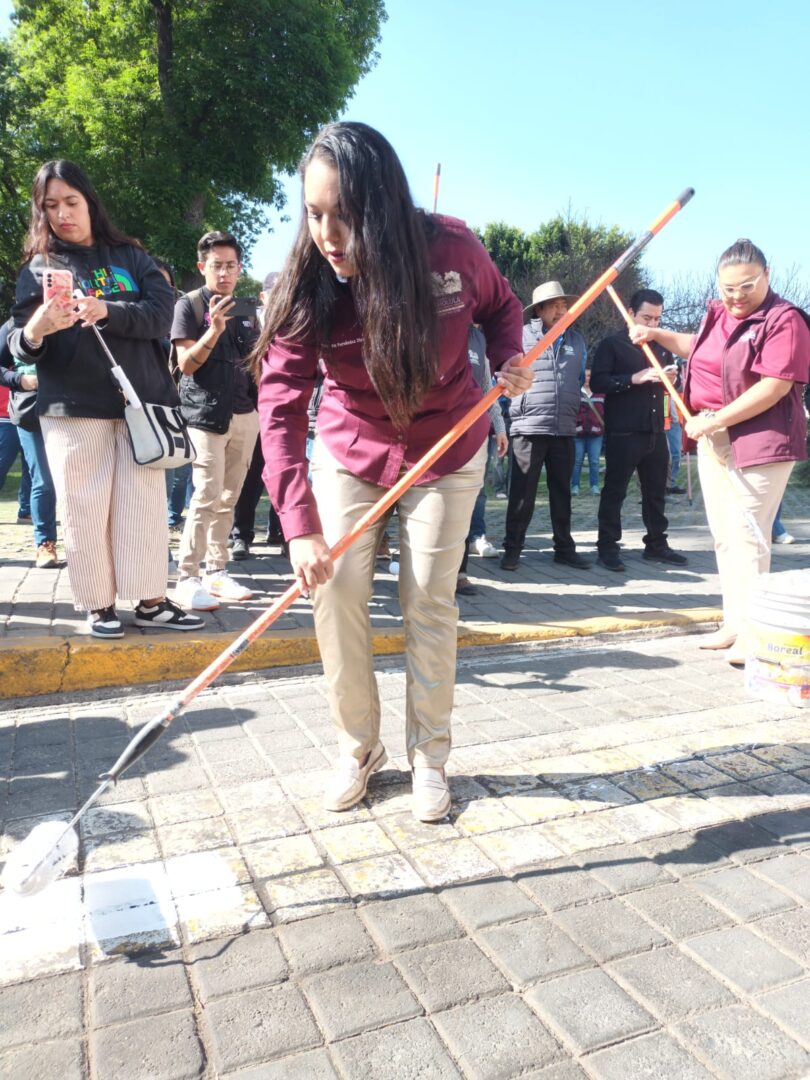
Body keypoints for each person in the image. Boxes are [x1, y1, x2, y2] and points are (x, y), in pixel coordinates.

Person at [254, 121, 528, 822]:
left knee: (428, 599)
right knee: (336, 588)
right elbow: (280, 406)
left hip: (448, 445)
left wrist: (508, 356)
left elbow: (502, 306)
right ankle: (358, 747)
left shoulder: (451, 249)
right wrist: (299, 527)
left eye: (345, 214)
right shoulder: (308, 281)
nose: (328, 235)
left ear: (383, 204)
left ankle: (429, 757)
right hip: (352, 446)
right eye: (314, 213)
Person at [9, 159, 203, 636]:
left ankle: (152, 601)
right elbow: (17, 342)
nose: (62, 214)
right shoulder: (39, 268)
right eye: (50, 205)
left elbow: (161, 315)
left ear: (89, 201)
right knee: (84, 509)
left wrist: (106, 309)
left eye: (70, 201)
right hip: (72, 407)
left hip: (140, 404)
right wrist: (36, 330)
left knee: (143, 508)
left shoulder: (131, 256)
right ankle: (98, 605)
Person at [632, 239, 810, 664]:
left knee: (748, 535)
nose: (736, 296)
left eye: (747, 286)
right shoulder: (718, 313)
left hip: (761, 439)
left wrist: (715, 419)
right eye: (728, 288)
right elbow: (699, 348)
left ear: (767, 275)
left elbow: (774, 386)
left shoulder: (785, 320)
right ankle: (734, 622)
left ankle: (755, 632)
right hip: (713, 438)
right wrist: (657, 334)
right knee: (725, 536)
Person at [172, 231, 260, 610]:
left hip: (245, 414)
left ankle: (217, 570)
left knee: (230, 497)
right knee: (206, 495)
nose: (224, 273)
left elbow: (256, 363)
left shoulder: (247, 309)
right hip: (204, 415)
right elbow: (185, 364)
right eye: (216, 265)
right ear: (202, 267)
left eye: (230, 266)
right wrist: (214, 329)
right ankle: (187, 576)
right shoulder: (189, 305)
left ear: (239, 268)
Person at [591, 288, 688, 572]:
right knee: (615, 491)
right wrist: (635, 377)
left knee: (656, 492)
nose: (652, 324)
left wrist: (673, 379)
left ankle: (656, 544)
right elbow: (598, 382)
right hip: (624, 431)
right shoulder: (612, 344)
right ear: (631, 313)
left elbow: (671, 386)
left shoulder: (661, 345)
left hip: (655, 430)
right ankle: (607, 547)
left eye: (657, 319)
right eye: (647, 318)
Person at [500, 280, 590, 572]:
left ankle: (564, 549)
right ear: (538, 310)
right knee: (521, 494)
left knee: (562, 493)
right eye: (554, 305)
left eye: (564, 305)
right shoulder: (520, 337)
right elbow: (504, 377)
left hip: (564, 428)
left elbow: (578, 381)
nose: (561, 310)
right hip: (528, 427)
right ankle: (512, 549)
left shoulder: (577, 341)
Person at [230, 271, 284, 560]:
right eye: (275, 293)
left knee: (284, 473)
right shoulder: (244, 319)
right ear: (263, 296)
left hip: (283, 411)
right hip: (250, 408)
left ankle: (283, 533)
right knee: (249, 477)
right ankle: (241, 535)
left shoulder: (295, 322)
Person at [457, 325, 509, 595]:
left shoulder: (479, 339)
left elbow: (488, 387)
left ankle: (460, 573)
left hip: (474, 437)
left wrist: (499, 426)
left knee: (468, 502)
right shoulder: (432, 324)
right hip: (436, 433)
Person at [571, 368, 604, 495]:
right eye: (584, 376)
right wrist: (575, 427)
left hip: (596, 434)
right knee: (577, 461)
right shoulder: (575, 393)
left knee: (594, 461)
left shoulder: (601, 394)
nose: (587, 378)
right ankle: (575, 486)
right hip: (578, 434)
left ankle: (594, 486)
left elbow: (605, 413)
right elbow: (570, 412)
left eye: (589, 375)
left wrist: (601, 427)